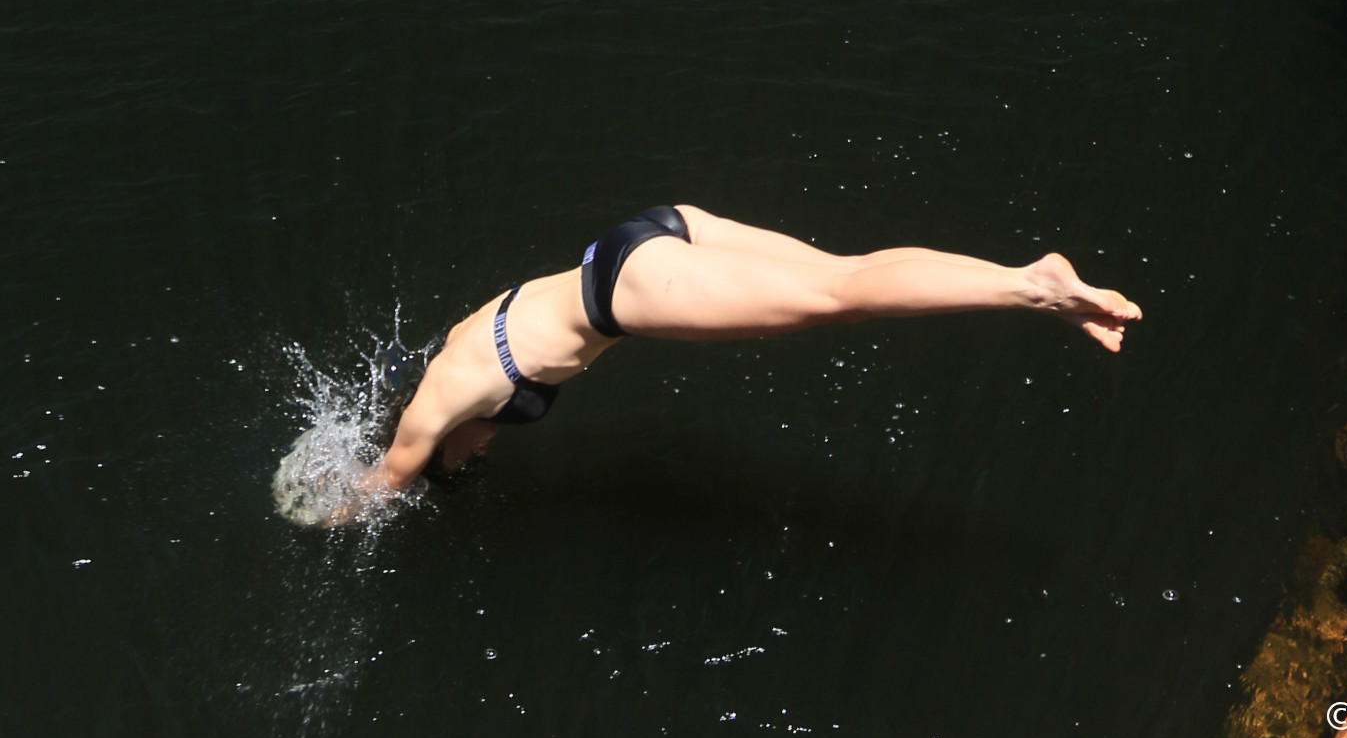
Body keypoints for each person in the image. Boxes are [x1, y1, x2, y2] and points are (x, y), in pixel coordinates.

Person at [361, 202, 1140, 502]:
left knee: (841, 300)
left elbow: (376, 486)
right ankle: (1031, 285)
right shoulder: (460, 345)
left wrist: (304, 507)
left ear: (435, 443)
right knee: (845, 274)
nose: (475, 458)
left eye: (462, 464)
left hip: (630, 289)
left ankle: (1032, 289)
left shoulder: (443, 401)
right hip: (650, 231)